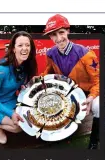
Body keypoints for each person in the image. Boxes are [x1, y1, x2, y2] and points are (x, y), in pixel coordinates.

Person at [41, 14, 100, 149]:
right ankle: (57, 135)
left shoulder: (85, 53)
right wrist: (37, 81)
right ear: (50, 37)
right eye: (53, 35)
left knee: (98, 106)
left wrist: (91, 97)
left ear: (68, 31)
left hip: (88, 93)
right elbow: (47, 74)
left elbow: (98, 81)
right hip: (69, 93)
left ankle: (94, 142)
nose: (58, 38)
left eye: (61, 32)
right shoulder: (50, 54)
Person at [0, 31, 38, 145]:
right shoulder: (1, 70)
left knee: (31, 120)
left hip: (11, 100)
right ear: (13, 49)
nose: (24, 48)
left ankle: (5, 121)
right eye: (20, 45)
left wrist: (26, 86)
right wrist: (11, 114)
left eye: (27, 45)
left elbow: (18, 86)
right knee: (18, 127)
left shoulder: (25, 64)